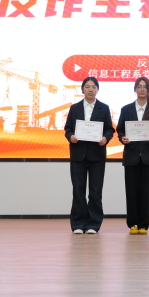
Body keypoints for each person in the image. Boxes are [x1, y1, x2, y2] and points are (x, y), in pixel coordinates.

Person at [64, 77, 115, 235]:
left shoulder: (104, 108)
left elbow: (109, 129)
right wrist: (71, 136)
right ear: (82, 89)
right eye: (87, 87)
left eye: (93, 87)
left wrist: (105, 138)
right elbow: (68, 129)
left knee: (95, 191)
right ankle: (78, 224)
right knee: (78, 190)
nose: (90, 89)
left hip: (97, 155)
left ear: (97, 89)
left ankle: (93, 224)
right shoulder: (75, 108)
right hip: (78, 154)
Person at [117, 77, 149, 235]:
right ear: (135, 89)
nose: (142, 89)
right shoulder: (126, 109)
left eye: (145, 87)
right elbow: (120, 130)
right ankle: (133, 224)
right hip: (131, 155)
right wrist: (122, 138)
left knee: (145, 192)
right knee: (131, 191)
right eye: (139, 86)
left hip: (147, 156)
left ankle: (143, 225)